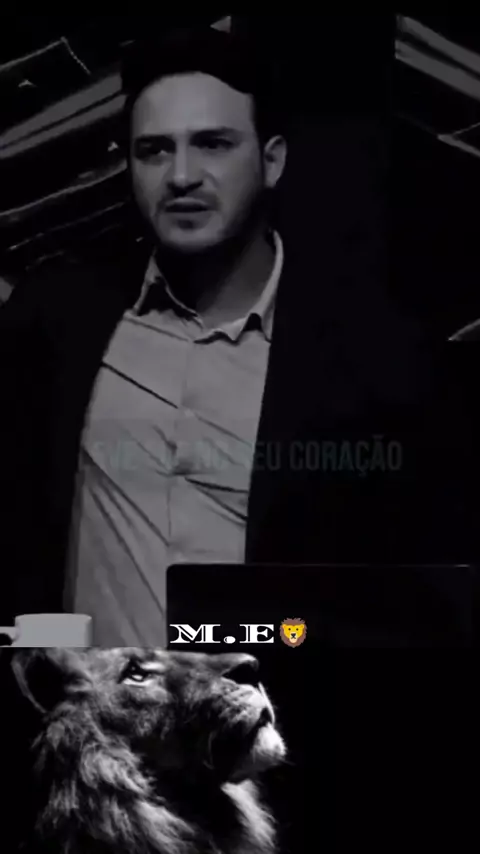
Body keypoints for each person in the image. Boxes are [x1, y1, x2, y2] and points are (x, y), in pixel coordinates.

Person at [0, 26, 472, 645]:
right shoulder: (61, 317)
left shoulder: (375, 359)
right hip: (93, 706)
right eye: (155, 151)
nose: (181, 176)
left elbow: (410, 594)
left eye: (213, 144)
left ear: (272, 161)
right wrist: (38, 655)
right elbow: (19, 522)